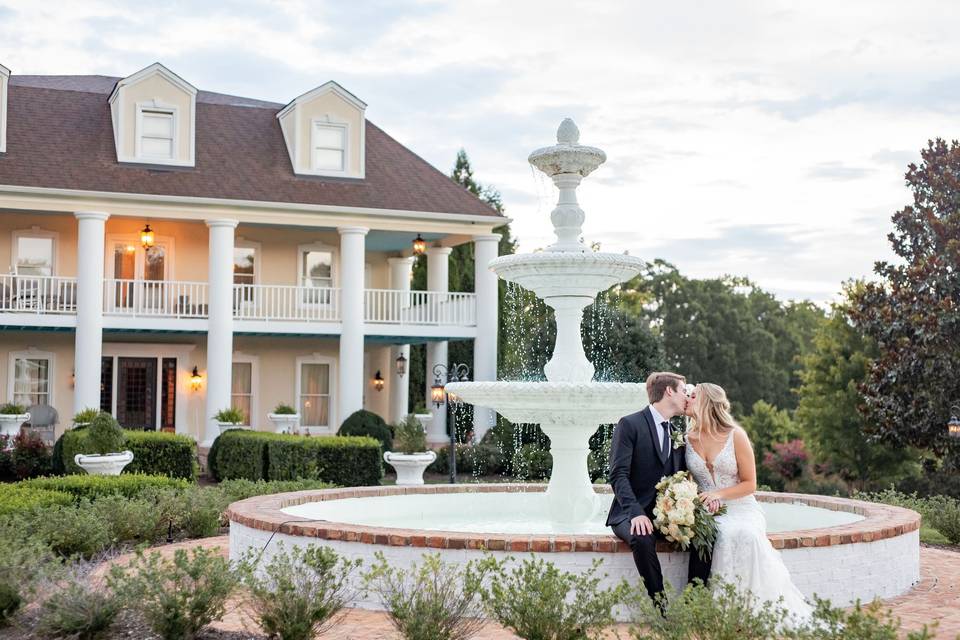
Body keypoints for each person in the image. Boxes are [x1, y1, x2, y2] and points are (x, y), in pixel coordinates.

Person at [685, 382, 813, 624]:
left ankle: (750, 608)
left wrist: (719, 495)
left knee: (744, 534)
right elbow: (687, 481)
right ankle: (717, 611)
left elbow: (750, 484)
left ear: (706, 403)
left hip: (740, 507)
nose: (687, 399)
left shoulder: (736, 436)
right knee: (717, 532)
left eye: (693, 396)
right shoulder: (686, 439)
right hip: (707, 510)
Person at [606, 372, 713, 602]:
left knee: (706, 534)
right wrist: (635, 513)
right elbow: (618, 475)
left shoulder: (677, 433)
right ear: (669, 391)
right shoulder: (629, 424)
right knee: (642, 537)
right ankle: (660, 606)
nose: (687, 395)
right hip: (628, 514)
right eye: (684, 390)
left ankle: (693, 604)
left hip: (667, 515)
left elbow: (683, 477)